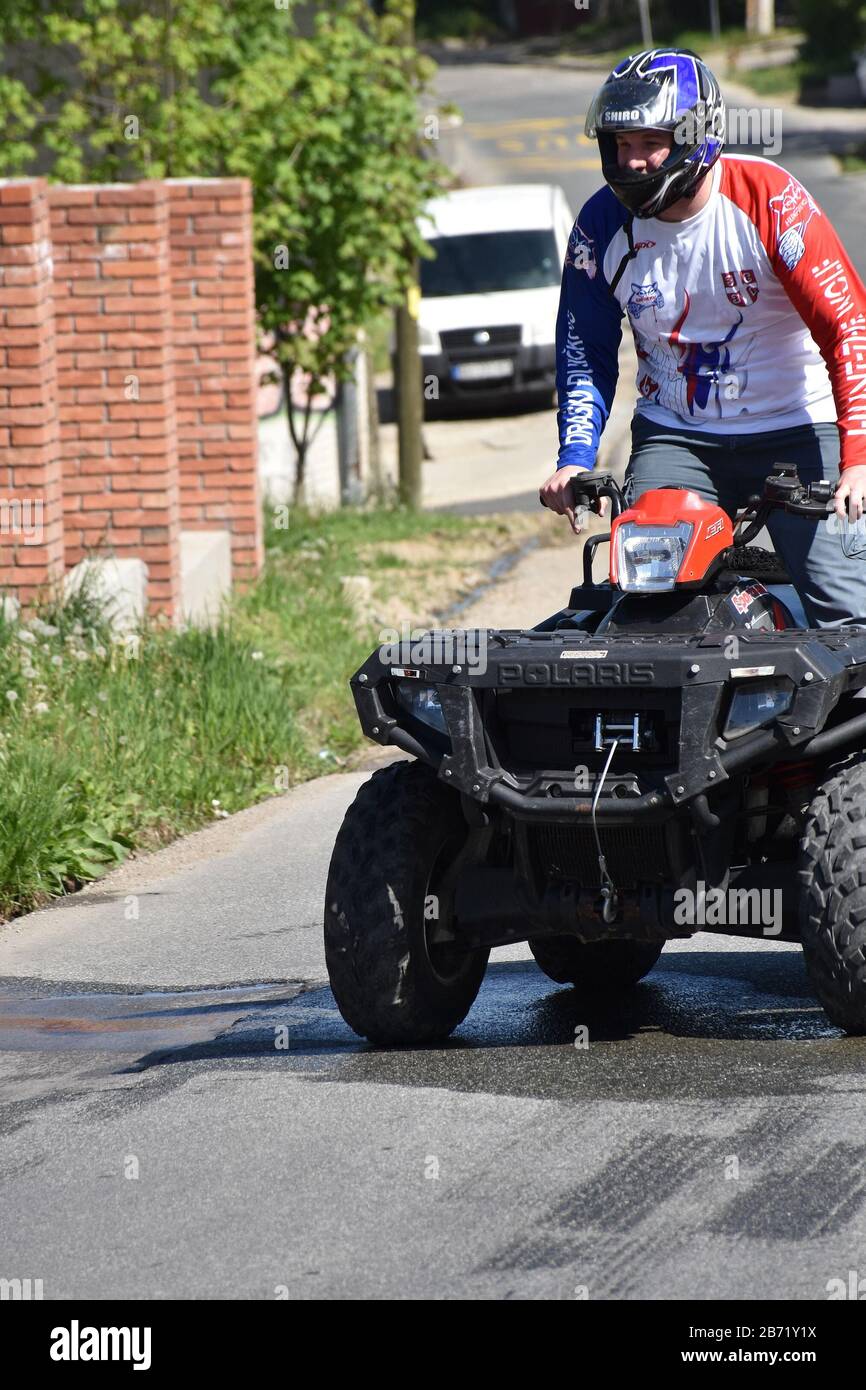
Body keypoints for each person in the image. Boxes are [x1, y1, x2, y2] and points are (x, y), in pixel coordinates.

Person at [539, 47, 866, 628]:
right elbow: (583, 349)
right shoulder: (598, 226)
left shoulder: (771, 199)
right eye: (620, 145)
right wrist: (575, 457)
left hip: (798, 428)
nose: (632, 162)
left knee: (846, 609)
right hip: (678, 438)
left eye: (648, 143)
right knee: (648, 600)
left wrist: (858, 460)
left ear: (696, 136)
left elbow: (848, 329)